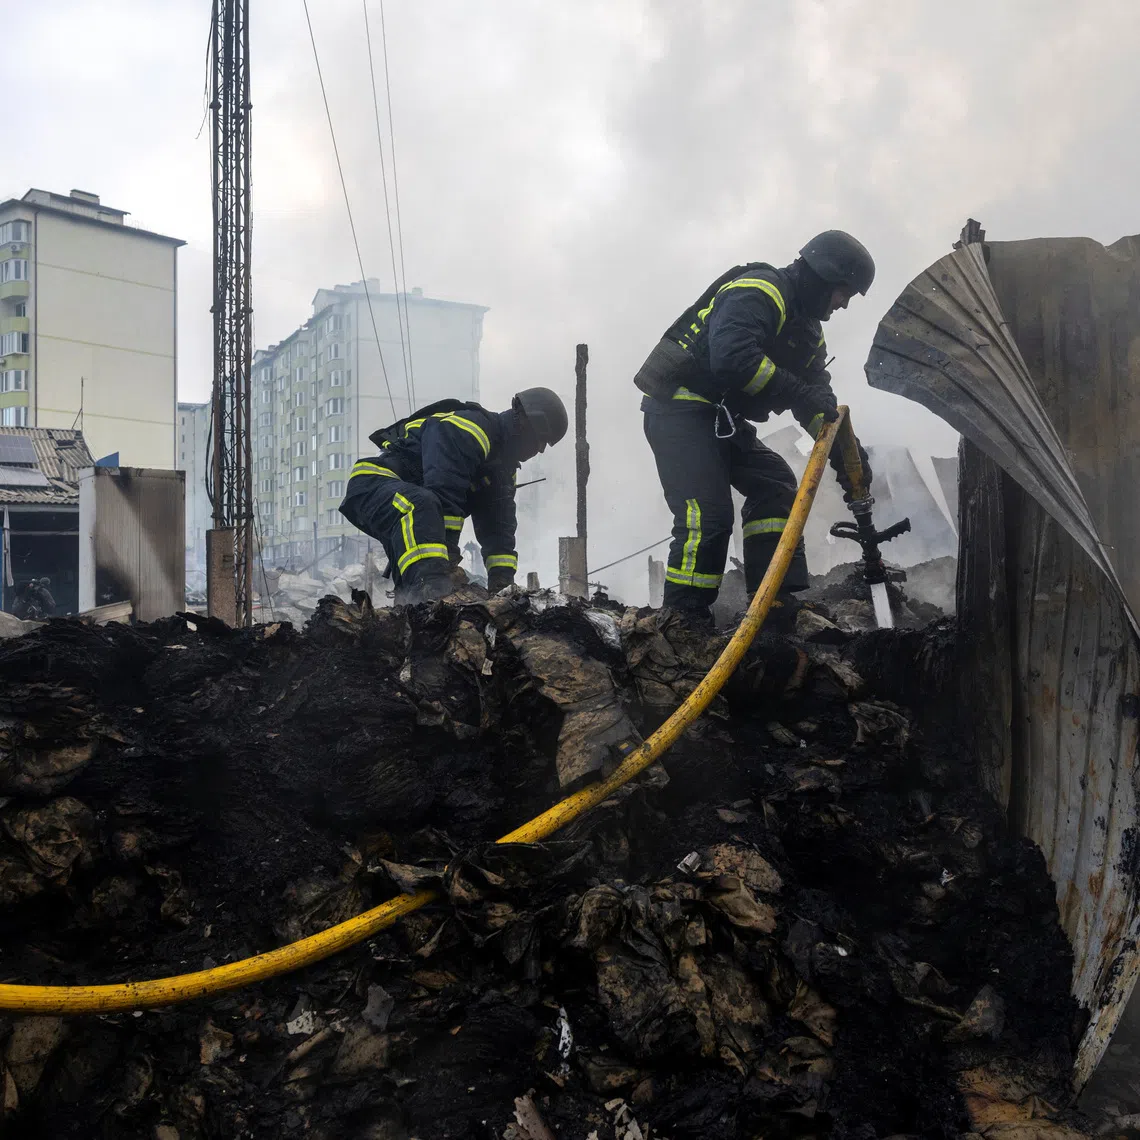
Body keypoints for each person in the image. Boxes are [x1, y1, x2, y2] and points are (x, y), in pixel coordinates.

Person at [634, 230, 876, 628]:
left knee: (775, 483)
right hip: (679, 411)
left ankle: (774, 602)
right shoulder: (759, 290)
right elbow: (732, 360)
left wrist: (849, 458)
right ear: (823, 275)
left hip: (720, 419)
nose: (843, 304)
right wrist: (799, 390)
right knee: (707, 516)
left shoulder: (808, 332)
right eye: (843, 292)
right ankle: (683, 621)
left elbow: (817, 405)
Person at [339, 389, 568, 604]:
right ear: (525, 423)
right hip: (372, 483)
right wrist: (446, 561)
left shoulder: (502, 471)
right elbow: (444, 490)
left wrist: (502, 589)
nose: (540, 450)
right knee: (423, 512)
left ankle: (410, 620)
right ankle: (431, 605)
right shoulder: (470, 428)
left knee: (412, 580)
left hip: (410, 506)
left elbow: (499, 532)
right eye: (540, 441)